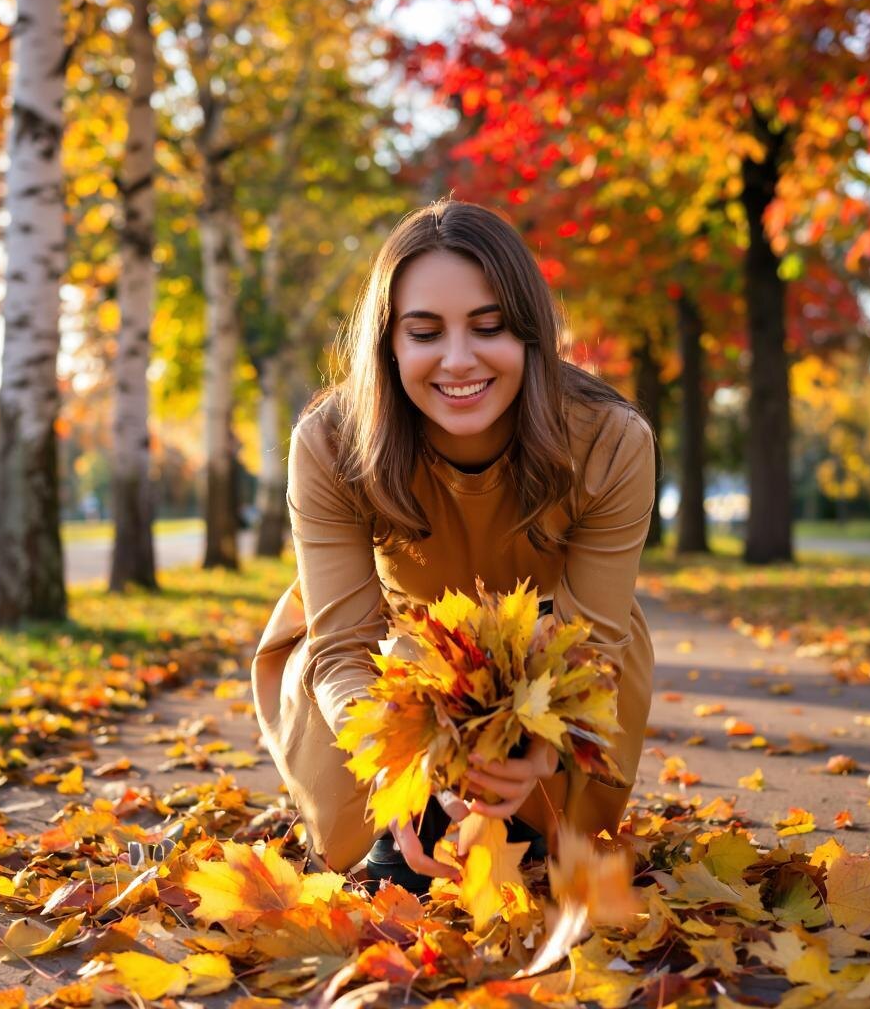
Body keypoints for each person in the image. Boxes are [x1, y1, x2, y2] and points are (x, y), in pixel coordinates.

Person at [251, 198, 658, 890]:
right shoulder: (329, 442)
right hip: (387, 657)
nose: (459, 359)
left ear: (530, 333)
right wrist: (401, 761)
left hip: (553, 658)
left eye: (489, 327)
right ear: (390, 343)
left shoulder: (611, 441)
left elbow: (592, 643)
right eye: (425, 332)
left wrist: (535, 752)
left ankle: (526, 809)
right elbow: (343, 646)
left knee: (551, 846)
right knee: (352, 840)